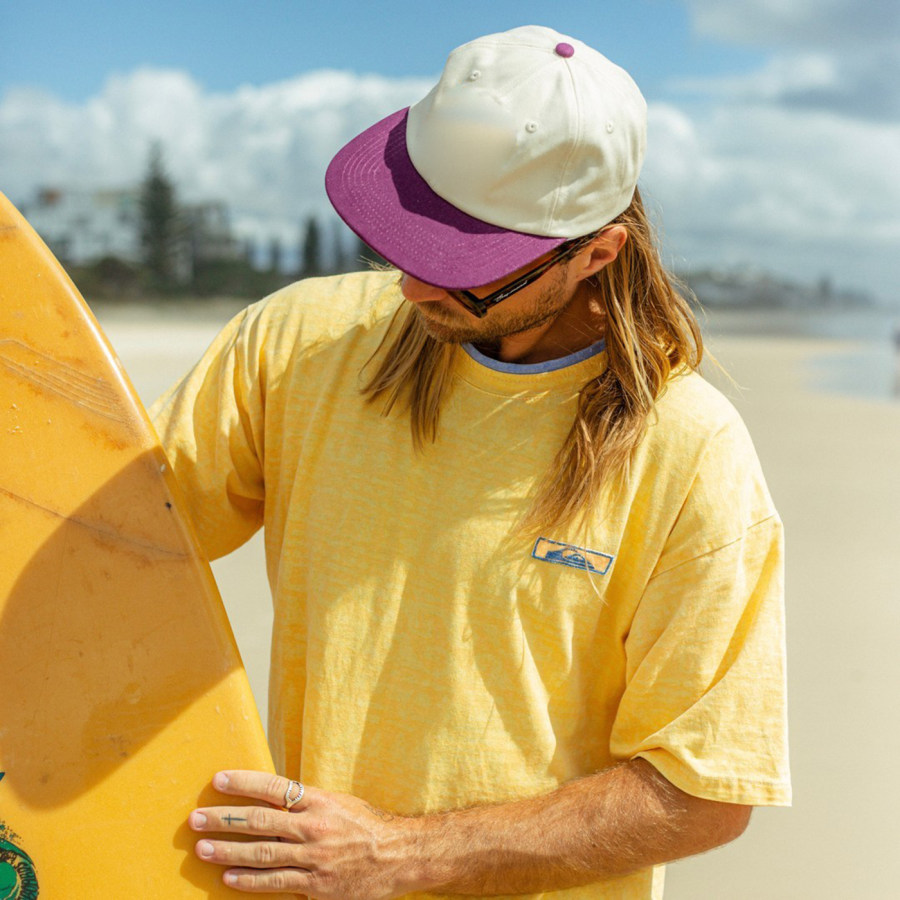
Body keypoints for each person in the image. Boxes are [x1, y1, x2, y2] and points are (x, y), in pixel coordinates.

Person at [152, 25, 790, 900]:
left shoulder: (688, 453)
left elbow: (702, 791)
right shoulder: (296, 345)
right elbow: (105, 542)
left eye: (462, 268)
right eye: (403, 241)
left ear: (595, 252)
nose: (411, 287)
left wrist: (398, 854)